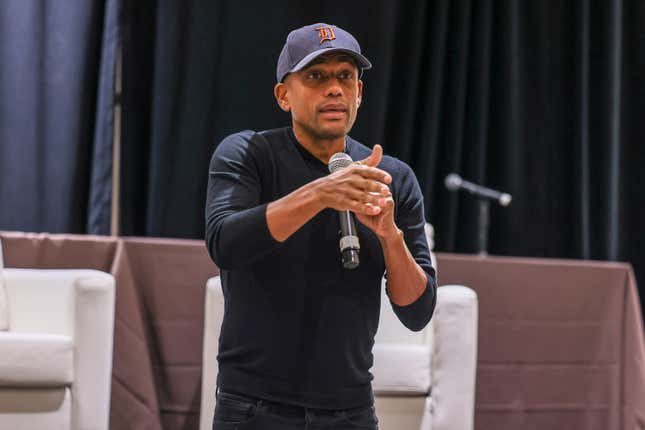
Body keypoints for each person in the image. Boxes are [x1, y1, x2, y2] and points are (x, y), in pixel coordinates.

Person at [205, 22, 437, 430]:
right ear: (283, 95)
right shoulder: (248, 154)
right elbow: (225, 243)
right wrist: (322, 193)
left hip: (350, 411)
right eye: (316, 76)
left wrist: (389, 234)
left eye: (345, 77)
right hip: (253, 407)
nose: (334, 89)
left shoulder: (391, 178)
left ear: (359, 94)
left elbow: (417, 312)